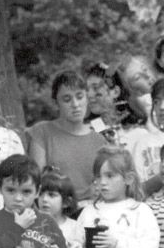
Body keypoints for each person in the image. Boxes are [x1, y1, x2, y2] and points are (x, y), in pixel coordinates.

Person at [25, 71, 108, 204]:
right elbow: (37, 181)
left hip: (92, 210)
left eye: (80, 97)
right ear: (56, 103)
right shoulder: (42, 132)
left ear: (87, 98)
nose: (75, 104)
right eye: (67, 99)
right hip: (55, 210)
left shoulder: (100, 140)